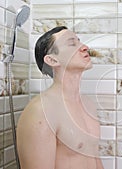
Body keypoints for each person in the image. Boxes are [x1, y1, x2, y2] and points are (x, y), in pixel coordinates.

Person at [17, 26, 104, 169]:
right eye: (72, 43)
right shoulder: (40, 112)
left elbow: (95, 160)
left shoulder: (88, 105)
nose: (84, 47)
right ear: (52, 60)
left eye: (79, 41)